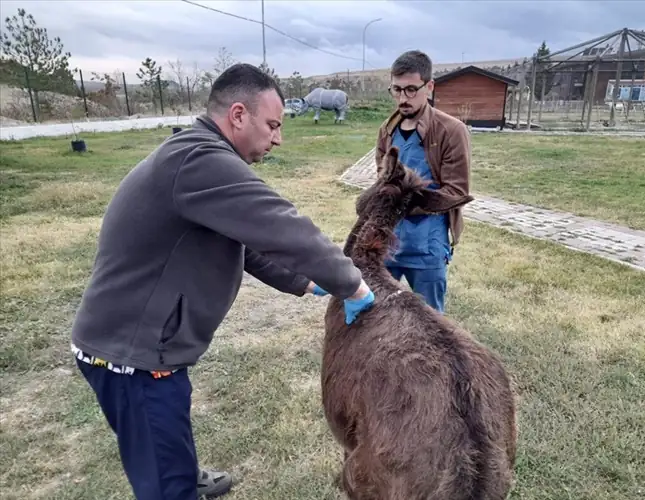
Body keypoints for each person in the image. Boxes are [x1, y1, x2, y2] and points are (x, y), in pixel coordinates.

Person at [69, 63, 375, 500]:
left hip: (147, 342)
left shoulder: (196, 156)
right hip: (131, 356)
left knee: (168, 420)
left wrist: (305, 283)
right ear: (237, 115)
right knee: (163, 480)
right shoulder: (200, 160)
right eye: (272, 125)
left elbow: (243, 244)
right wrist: (354, 284)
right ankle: (175, 483)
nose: (278, 137)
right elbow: (281, 225)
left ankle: (183, 470)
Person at [374, 50, 471, 313]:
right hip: (387, 242)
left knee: (430, 321)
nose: (403, 98)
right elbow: (381, 179)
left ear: (429, 87)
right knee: (377, 314)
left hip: (427, 246)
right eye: (396, 90)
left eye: (411, 90)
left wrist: (403, 203)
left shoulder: (451, 130)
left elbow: (455, 191)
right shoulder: (387, 129)